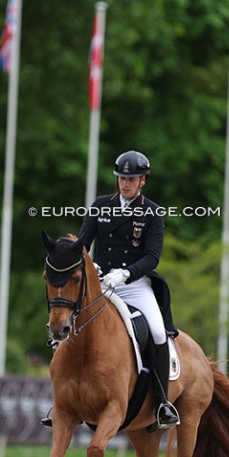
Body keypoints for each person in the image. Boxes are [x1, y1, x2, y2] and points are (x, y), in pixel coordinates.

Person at [43, 150, 179, 429]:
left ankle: (163, 402)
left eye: (131, 179)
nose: (125, 183)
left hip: (135, 285)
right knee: (67, 324)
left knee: (155, 331)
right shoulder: (100, 206)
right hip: (102, 284)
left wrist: (127, 273)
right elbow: (83, 243)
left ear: (143, 180)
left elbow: (152, 257)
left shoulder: (152, 212)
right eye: (121, 178)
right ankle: (60, 401)